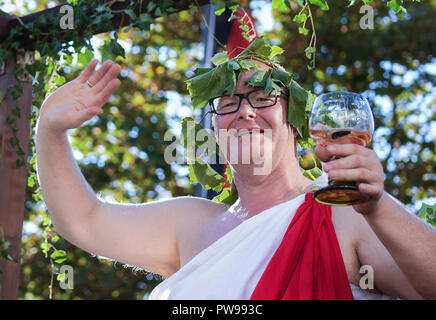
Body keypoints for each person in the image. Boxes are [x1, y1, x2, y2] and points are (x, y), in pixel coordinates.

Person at [36, 47, 436, 300]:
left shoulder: (345, 210)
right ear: (215, 130)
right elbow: (83, 221)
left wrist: (380, 207)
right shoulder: (191, 224)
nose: (245, 110)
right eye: (227, 102)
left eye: (263, 97)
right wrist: (49, 130)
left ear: (295, 122)